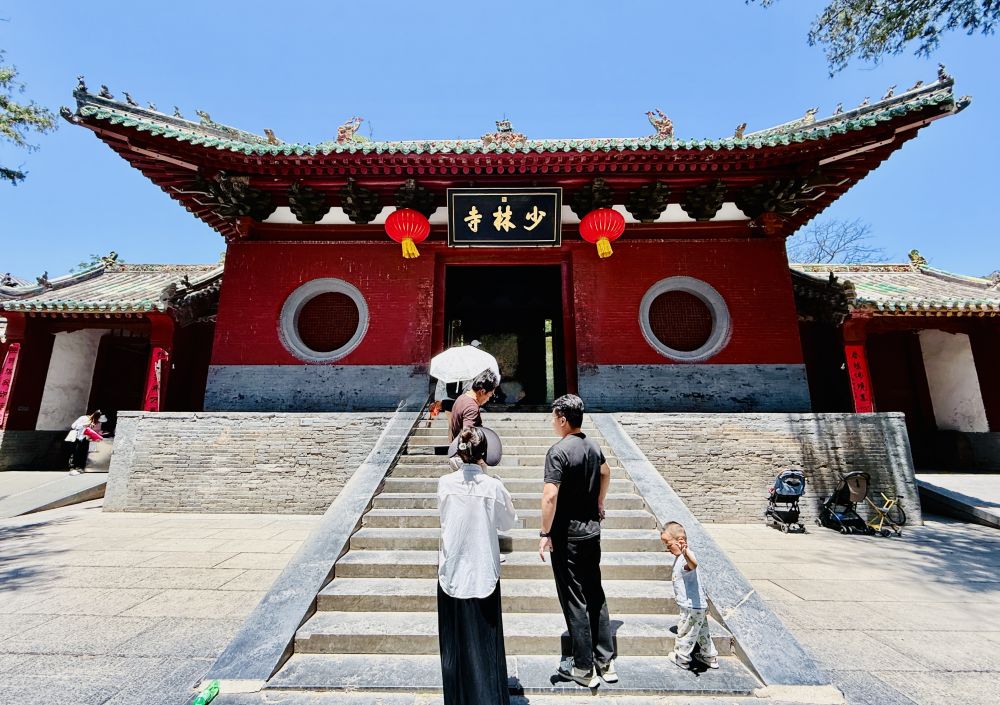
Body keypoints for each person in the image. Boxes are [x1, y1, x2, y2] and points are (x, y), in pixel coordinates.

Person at [538, 394, 615, 688]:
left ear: (562, 419)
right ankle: (604, 660)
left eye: (553, 417)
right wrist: (599, 501)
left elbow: (550, 495)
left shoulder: (558, 451)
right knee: (595, 592)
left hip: (567, 535)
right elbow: (606, 472)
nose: (552, 422)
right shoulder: (593, 445)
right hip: (592, 532)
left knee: (574, 598)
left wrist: (544, 533)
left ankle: (583, 667)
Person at [437, 426, 517, 705]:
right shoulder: (493, 486)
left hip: (452, 569)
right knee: (486, 642)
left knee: (455, 643)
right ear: (484, 454)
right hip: (483, 569)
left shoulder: (445, 483)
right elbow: (507, 523)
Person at [661, 521, 719, 670]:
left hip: (690, 607)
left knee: (685, 631)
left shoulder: (685, 557)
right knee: (702, 632)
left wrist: (685, 552)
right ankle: (710, 656)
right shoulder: (681, 557)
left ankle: (681, 657)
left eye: (669, 544)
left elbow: (692, 565)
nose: (667, 548)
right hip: (699, 606)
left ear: (680, 540)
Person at [448, 369, 498, 440]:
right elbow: (467, 436)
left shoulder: (461, 398)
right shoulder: (472, 408)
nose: (488, 399)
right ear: (482, 391)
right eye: (490, 395)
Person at [65, 410, 100, 474]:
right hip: (77, 437)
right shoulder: (83, 418)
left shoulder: (94, 422)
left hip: (85, 438)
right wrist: (84, 425)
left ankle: (80, 467)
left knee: (83, 453)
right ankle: (73, 467)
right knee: (75, 452)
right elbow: (73, 426)